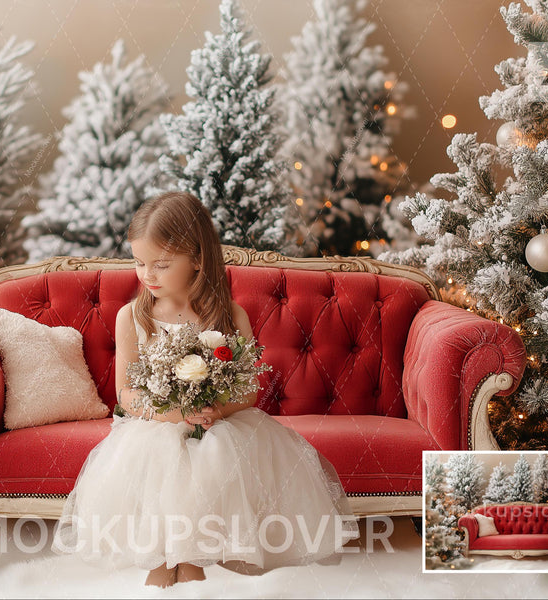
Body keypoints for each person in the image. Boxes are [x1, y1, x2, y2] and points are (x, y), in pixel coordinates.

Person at [52, 191, 358, 587]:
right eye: (139, 262)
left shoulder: (230, 315)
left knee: (212, 453)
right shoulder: (133, 317)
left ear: (197, 258)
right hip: (155, 424)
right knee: (164, 457)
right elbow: (126, 396)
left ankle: (194, 562)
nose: (147, 275)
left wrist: (216, 412)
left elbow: (248, 391)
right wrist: (175, 414)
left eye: (161, 265)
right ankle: (163, 564)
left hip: (218, 423)